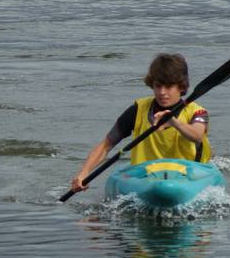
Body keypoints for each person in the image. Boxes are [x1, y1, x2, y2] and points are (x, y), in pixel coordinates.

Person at [68, 53, 211, 193]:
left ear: (181, 87)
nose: (162, 92)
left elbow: (197, 135)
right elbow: (106, 145)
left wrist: (174, 122)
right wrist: (84, 173)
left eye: (168, 87)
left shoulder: (197, 112)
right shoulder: (138, 110)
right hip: (146, 176)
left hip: (188, 175)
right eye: (158, 86)